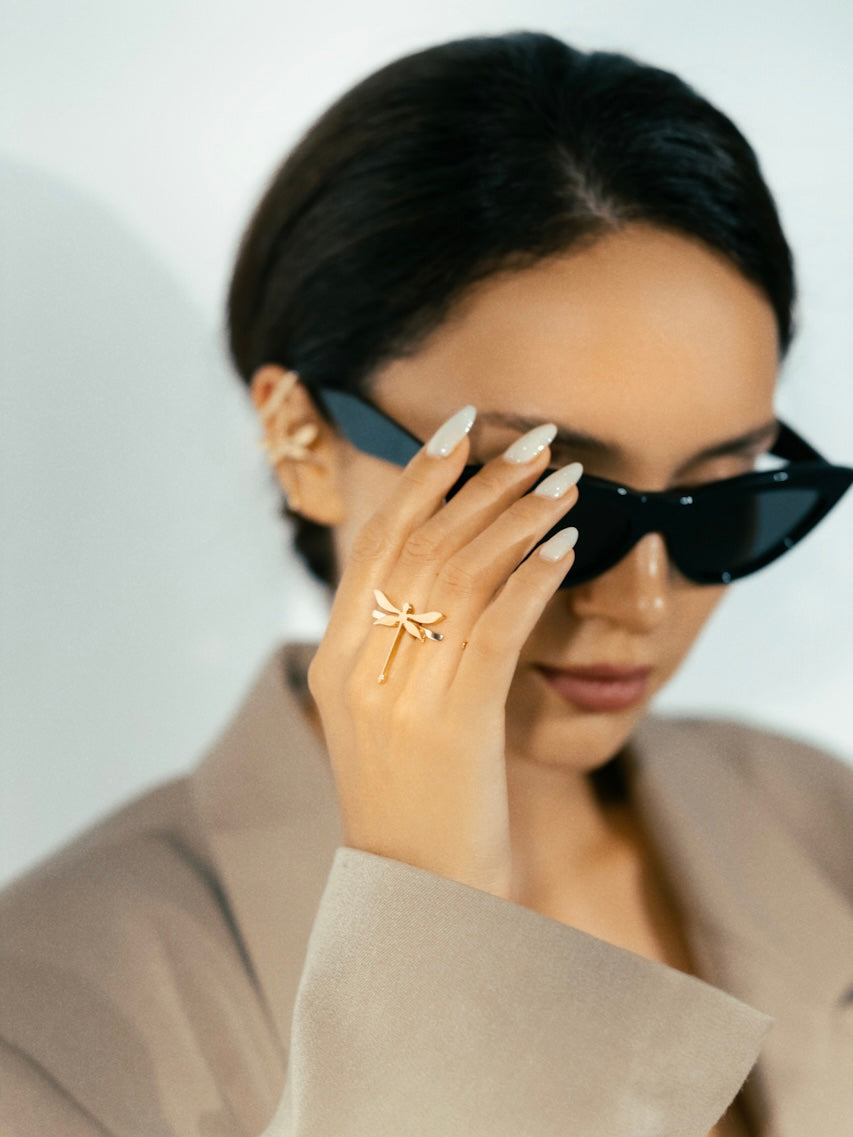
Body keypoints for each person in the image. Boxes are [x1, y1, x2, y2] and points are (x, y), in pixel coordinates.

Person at [1, 29, 852, 1137]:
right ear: (302, 437)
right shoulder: (51, 1019)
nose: (640, 601)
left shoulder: (819, 820)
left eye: (724, 497)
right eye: (553, 500)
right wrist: (421, 907)